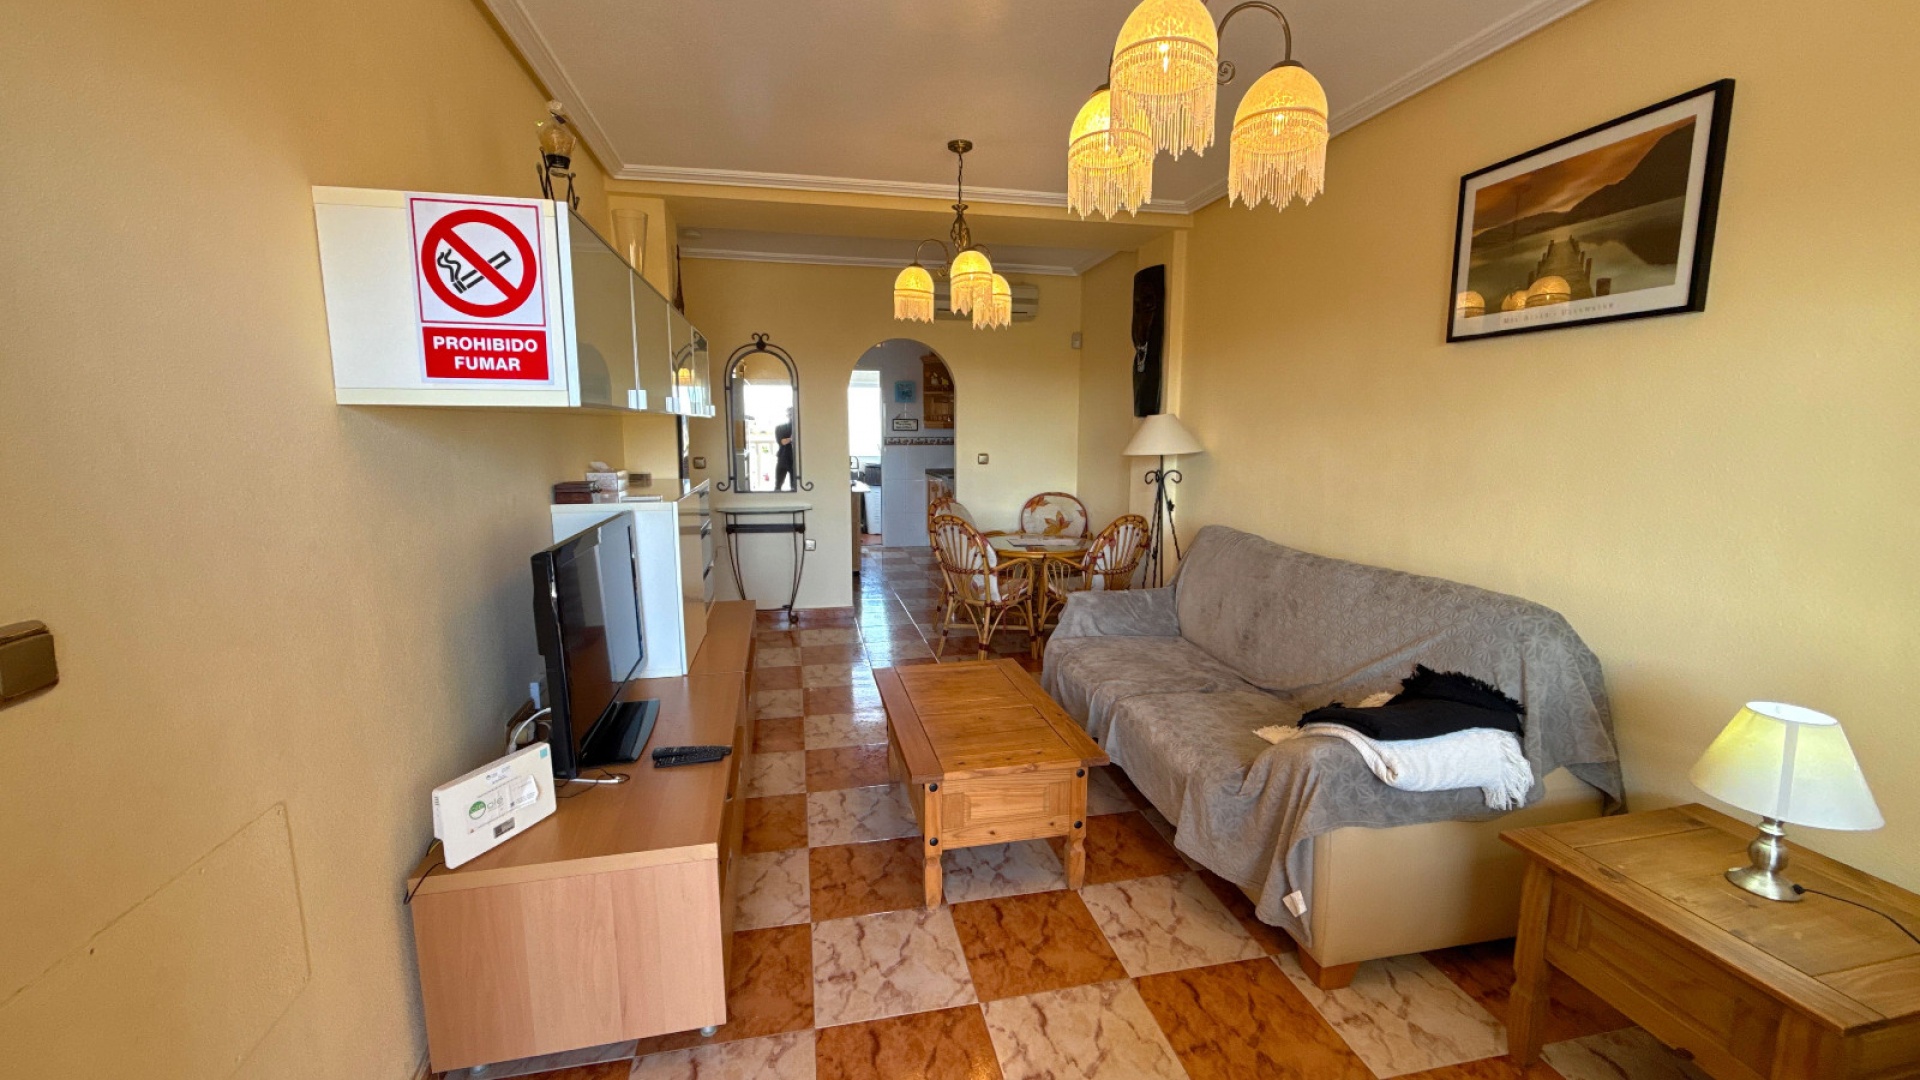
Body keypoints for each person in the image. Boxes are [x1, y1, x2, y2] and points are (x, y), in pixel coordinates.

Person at [773, 411, 794, 491]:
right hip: (783, 457)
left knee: (795, 485)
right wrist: (791, 439)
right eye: (790, 414)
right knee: (778, 484)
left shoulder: (801, 427)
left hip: (794, 459)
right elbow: (782, 442)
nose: (791, 416)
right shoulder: (780, 428)